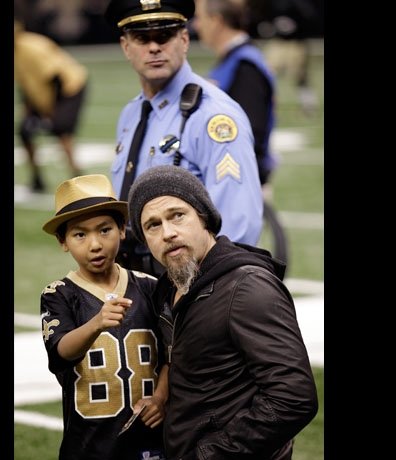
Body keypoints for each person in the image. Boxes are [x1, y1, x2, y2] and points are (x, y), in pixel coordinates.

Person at [127, 165, 318, 460]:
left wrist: (209, 455)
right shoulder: (169, 288)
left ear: (204, 217)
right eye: (152, 225)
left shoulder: (247, 288)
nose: (168, 233)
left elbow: (293, 398)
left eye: (177, 215)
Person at [104, 0, 263, 275]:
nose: (154, 47)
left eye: (164, 36)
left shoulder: (213, 116)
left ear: (185, 40)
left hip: (188, 280)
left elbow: (238, 228)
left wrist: (206, 292)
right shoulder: (131, 113)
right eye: (142, 38)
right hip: (136, 281)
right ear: (126, 47)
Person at [40, 174, 168, 460]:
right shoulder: (58, 294)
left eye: (105, 230)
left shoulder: (150, 287)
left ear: (122, 230)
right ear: (63, 241)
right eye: (80, 235)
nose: (95, 244)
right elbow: (59, 353)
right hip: (88, 444)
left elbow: (172, 354)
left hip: (149, 442)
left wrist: (160, 397)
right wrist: (96, 323)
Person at [193, 0, 277, 187]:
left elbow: (251, 132)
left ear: (216, 21)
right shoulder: (234, 60)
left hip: (240, 182)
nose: (196, 25)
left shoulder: (245, 66)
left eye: (199, 18)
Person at [14, 20, 88, 192]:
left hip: (69, 88)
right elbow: (25, 83)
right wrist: (28, 109)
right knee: (24, 131)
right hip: (42, 93)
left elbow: (56, 77)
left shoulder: (32, 47)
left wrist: (52, 112)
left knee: (61, 129)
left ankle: (78, 176)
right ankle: (37, 178)